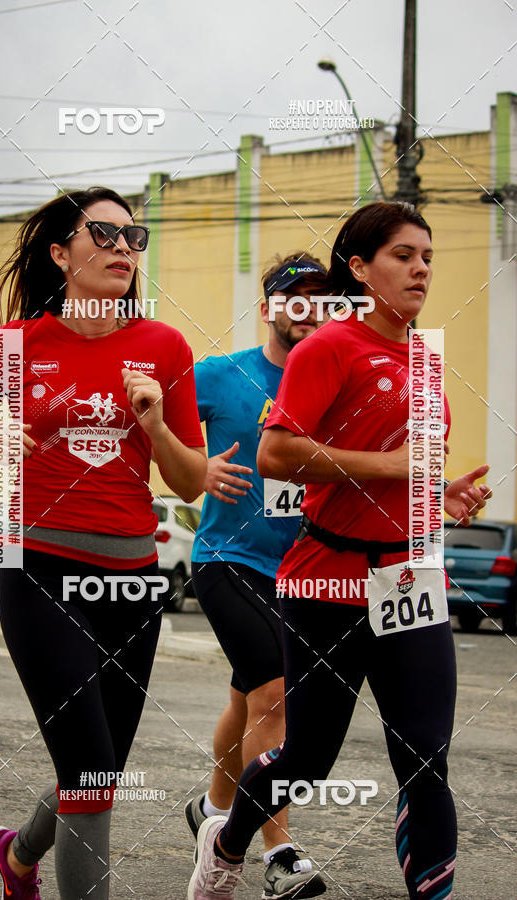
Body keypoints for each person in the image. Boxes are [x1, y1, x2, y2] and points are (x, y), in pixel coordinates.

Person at [187, 201, 491, 900]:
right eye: (403, 255)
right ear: (358, 269)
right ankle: (227, 841)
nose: (421, 268)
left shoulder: (424, 353)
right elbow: (276, 451)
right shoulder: (330, 347)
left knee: (425, 759)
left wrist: (436, 495)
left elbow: (406, 463)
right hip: (326, 580)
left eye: (428, 256)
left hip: (409, 577)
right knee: (306, 758)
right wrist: (396, 468)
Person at [0, 187, 206, 900]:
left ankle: (17, 857)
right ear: (61, 253)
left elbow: (191, 481)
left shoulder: (164, 347)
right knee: (89, 773)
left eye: (133, 237)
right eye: (104, 234)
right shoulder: (12, 347)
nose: (124, 248)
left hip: (134, 580)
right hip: (37, 567)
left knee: (99, 770)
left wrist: (155, 426)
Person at [186, 254, 329, 899]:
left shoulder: (333, 381)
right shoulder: (222, 374)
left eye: (323, 299)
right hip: (227, 558)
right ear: (269, 307)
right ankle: (280, 852)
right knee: (276, 697)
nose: (309, 309)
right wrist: (200, 464)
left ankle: (213, 809)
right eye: (294, 297)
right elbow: (151, 430)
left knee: (249, 697)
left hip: (300, 570)